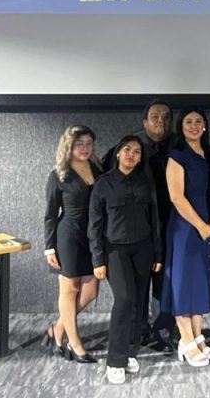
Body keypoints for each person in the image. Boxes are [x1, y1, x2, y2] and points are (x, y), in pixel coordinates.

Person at [89, 136, 163, 385]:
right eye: (127, 149)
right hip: (115, 251)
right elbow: (95, 225)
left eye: (137, 151)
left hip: (143, 249)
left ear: (141, 158)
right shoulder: (103, 184)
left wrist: (158, 253)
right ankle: (115, 360)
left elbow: (155, 220)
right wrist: (97, 259)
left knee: (139, 301)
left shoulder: (146, 182)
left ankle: (131, 351)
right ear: (118, 153)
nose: (132, 154)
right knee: (124, 300)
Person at [103, 100, 177, 351]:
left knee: (165, 280)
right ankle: (139, 329)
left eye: (166, 117)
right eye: (155, 116)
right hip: (136, 230)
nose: (160, 121)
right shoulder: (129, 147)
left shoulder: (179, 146)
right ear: (144, 121)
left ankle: (164, 329)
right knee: (137, 284)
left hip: (172, 225)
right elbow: (106, 185)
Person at [161, 108, 210, 366]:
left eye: (199, 121)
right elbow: (176, 197)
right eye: (188, 122)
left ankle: (198, 337)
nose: (194, 125)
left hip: (207, 226)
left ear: (205, 126)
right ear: (180, 126)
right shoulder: (177, 155)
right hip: (186, 228)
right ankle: (185, 340)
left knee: (199, 282)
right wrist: (199, 225)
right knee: (183, 283)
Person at [43, 125, 102, 362]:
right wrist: (49, 247)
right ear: (69, 146)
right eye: (79, 144)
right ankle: (74, 343)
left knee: (91, 291)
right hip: (68, 236)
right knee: (70, 290)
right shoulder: (59, 174)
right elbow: (50, 214)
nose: (85, 148)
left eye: (89, 143)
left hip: (93, 236)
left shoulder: (98, 168)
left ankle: (58, 329)